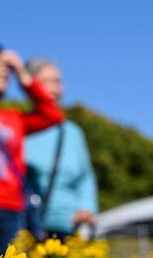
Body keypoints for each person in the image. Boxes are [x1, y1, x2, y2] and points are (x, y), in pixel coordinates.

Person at [0, 44, 64, 255]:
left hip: (15, 208)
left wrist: (23, 75)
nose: (3, 70)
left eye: (6, 66)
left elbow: (53, 115)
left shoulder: (13, 118)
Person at [24, 58, 98, 239]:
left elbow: (85, 177)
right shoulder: (21, 127)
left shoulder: (72, 132)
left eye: (57, 81)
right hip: (28, 228)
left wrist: (86, 208)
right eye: (46, 82)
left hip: (71, 227)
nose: (55, 89)